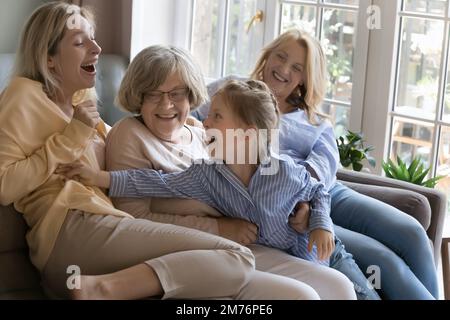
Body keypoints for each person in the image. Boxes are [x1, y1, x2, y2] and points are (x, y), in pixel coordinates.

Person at [0, 2, 315, 300]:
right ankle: (102, 290)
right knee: (235, 257)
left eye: (93, 40)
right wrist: (71, 138)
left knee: (286, 288)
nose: (97, 49)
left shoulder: (82, 103)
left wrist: (190, 127)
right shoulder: (23, 95)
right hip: (68, 231)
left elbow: (122, 156)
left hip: (104, 223)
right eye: (81, 42)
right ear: (49, 57)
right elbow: (5, 187)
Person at [58, 79, 378, 299]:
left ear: (246, 134)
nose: (205, 123)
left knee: (342, 288)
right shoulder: (207, 175)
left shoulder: (282, 172)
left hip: (300, 251)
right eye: (209, 114)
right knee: (310, 294)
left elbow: (319, 191)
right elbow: (154, 182)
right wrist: (99, 177)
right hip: (249, 252)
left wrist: (320, 223)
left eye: (217, 116)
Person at [191, 29, 438, 300]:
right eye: (280, 57)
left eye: (296, 67)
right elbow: (190, 123)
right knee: (384, 260)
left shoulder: (313, 119)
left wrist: (305, 199)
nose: (283, 69)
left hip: (325, 192)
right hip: (287, 204)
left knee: (412, 232)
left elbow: (324, 164)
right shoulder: (231, 90)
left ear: (305, 79)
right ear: (267, 56)